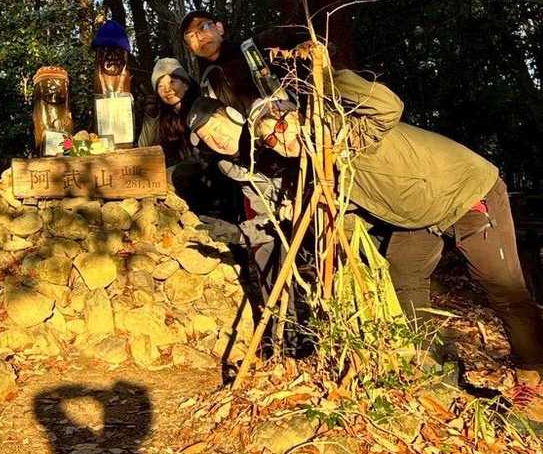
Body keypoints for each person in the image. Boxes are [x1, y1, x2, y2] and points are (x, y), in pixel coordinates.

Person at [188, 74, 543, 419]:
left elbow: (389, 105)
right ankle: (430, 359)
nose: (280, 141)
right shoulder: (318, 168)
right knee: (403, 274)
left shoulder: (347, 132)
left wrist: (327, 79)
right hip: (419, 218)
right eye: (269, 140)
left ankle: (533, 376)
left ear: (295, 115)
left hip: (466, 193)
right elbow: (335, 215)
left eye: (280, 127)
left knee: (501, 286)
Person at [137, 57, 201, 197]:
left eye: (172, 82)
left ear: (186, 84)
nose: (167, 89)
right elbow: (144, 150)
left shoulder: (200, 107)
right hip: (180, 183)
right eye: (160, 86)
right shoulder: (164, 116)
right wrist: (151, 118)